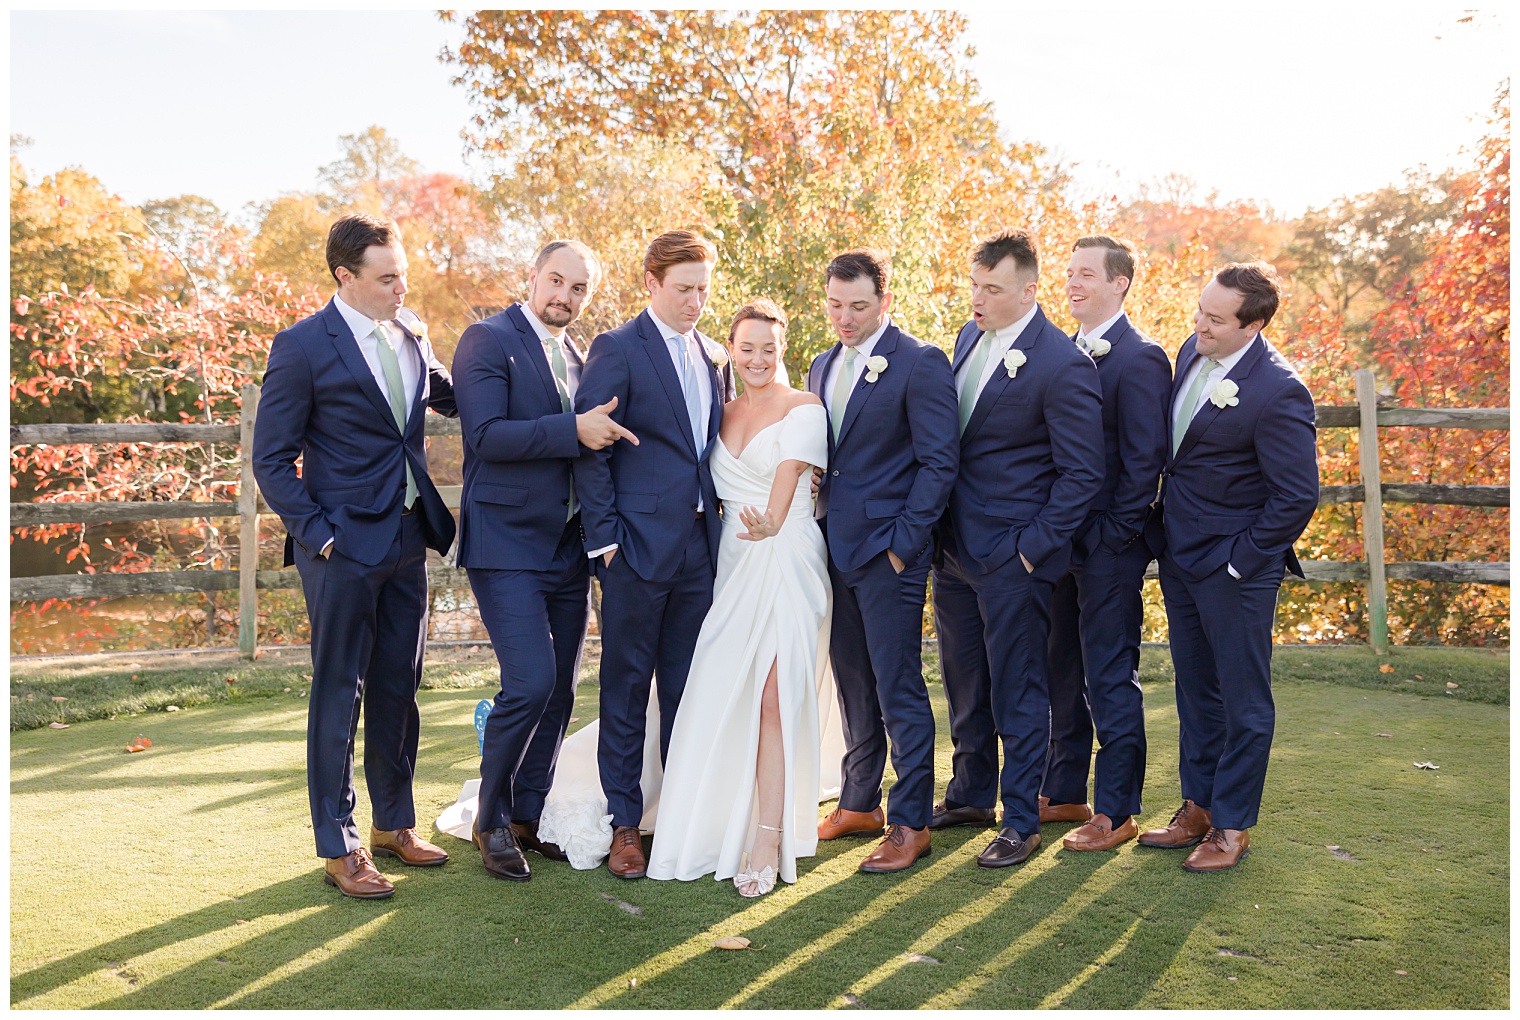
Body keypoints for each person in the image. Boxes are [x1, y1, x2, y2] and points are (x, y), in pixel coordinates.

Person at [252, 214, 458, 899]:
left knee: (400, 685)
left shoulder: (410, 335)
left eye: (404, 272)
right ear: (346, 276)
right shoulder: (303, 346)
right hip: (340, 546)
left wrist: (436, 348)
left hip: (406, 536)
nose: (403, 286)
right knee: (341, 692)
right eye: (388, 276)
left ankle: (393, 823)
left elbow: (451, 402)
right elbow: (271, 460)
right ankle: (339, 844)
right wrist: (319, 533)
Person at [451, 239, 638, 882]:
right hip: (504, 544)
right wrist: (573, 430)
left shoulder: (582, 357)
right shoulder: (487, 339)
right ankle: (491, 816)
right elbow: (484, 436)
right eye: (556, 280)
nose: (564, 296)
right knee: (528, 681)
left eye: (578, 288)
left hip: (567, 548)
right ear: (532, 276)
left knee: (559, 689)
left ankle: (529, 816)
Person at [646, 300, 832, 897]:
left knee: (775, 698)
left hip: (788, 558)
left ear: (784, 349)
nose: (757, 359)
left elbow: (783, 485)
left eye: (769, 349)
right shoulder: (718, 415)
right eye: (746, 348)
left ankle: (769, 836)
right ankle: (712, 816)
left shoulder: (805, 408)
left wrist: (773, 522)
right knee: (728, 694)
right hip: (732, 563)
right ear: (731, 348)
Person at [932, 228, 1104, 869]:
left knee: (1018, 688)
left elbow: (1083, 474)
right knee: (964, 681)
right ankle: (970, 794)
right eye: (975, 285)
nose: (977, 298)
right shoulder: (966, 339)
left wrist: (1030, 551)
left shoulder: (1062, 364)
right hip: (951, 551)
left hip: (1013, 560)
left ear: (1029, 291)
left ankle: (1022, 818)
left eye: (992, 289)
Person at [1140, 261, 1318, 871]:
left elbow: (1296, 496)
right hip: (1181, 555)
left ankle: (1234, 826)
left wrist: (1242, 564)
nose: (1199, 326)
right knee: (1195, 690)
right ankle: (1199, 805)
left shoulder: (1280, 390)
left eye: (1215, 319)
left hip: (1236, 570)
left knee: (1244, 700)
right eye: (1200, 311)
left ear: (1256, 325)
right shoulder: (1192, 351)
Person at [571, 230, 734, 880]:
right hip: (634, 551)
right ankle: (625, 825)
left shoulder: (711, 354)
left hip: (701, 550)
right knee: (627, 689)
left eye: (703, 289)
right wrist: (607, 542)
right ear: (652, 284)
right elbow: (592, 445)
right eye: (684, 288)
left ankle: (683, 815)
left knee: (689, 692)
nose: (696, 301)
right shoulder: (619, 347)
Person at [806, 248, 959, 874]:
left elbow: (938, 462)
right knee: (852, 682)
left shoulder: (919, 363)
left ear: (885, 302)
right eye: (836, 305)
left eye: (858, 306)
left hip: (888, 556)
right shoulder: (820, 365)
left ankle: (911, 821)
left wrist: (902, 545)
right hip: (832, 551)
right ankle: (859, 799)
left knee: (898, 686)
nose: (844, 318)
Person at [1038, 236, 1173, 851]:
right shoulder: (1060, 350)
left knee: (1110, 675)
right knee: (1059, 667)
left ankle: (1116, 810)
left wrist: (1111, 537)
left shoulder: (1141, 357)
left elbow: (1145, 458)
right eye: (1069, 273)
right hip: (1057, 542)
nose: (1073, 283)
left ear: (1119, 284)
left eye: (1086, 274)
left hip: (1108, 548)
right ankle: (1064, 791)